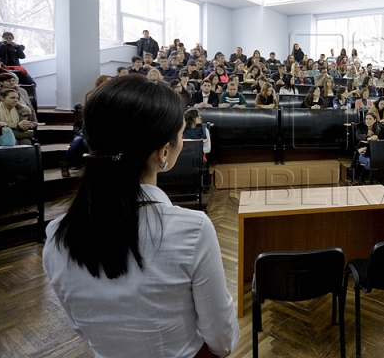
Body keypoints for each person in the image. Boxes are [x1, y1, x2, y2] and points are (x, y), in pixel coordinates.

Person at [42, 76, 239, 357]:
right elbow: (222, 339)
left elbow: (79, 326)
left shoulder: (57, 234)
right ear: (164, 152)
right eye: (181, 134)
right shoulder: (193, 229)